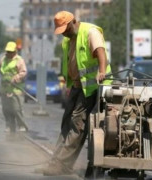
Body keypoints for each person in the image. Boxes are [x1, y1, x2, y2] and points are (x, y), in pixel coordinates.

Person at [41, 11, 112, 176]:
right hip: (77, 86)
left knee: (77, 124)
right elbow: (71, 62)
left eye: (65, 29)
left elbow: (101, 53)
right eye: (61, 30)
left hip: (93, 87)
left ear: (73, 22)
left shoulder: (90, 32)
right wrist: (69, 83)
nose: (64, 33)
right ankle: (55, 161)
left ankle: (62, 165)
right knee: (66, 123)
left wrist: (101, 72)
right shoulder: (68, 40)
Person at [0, 41, 28, 133]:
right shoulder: (3, 59)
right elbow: (0, 69)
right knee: (6, 109)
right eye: (7, 51)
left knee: (16, 109)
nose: (9, 53)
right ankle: (9, 126)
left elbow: (23, 72)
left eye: (10, 52)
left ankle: (22, 126)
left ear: (15, 51)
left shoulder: (19, 60)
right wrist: (5, 77)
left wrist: (15, 78)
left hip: (16, 88)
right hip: (5, 88)